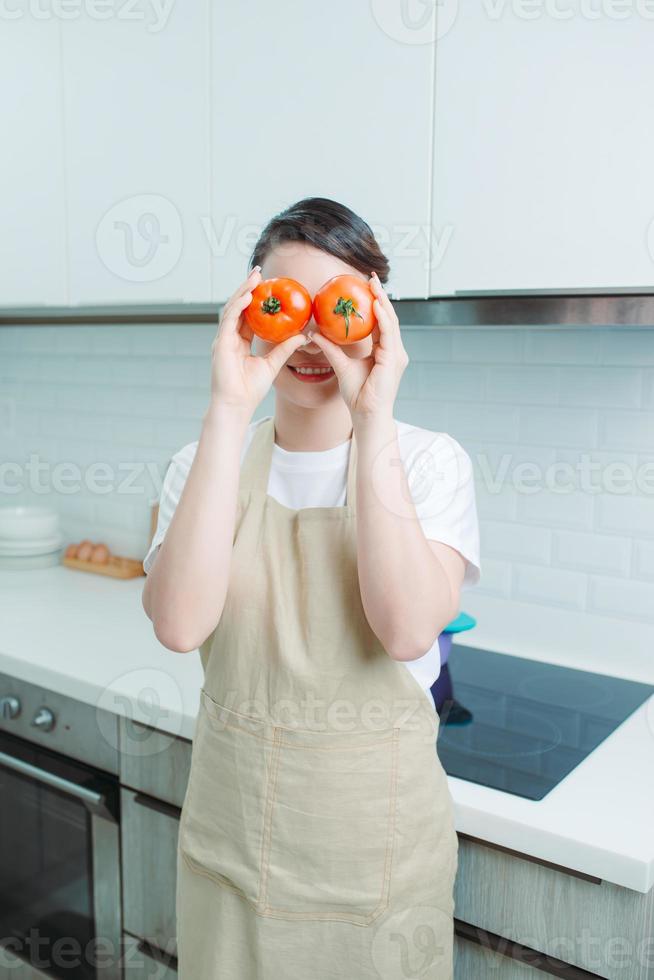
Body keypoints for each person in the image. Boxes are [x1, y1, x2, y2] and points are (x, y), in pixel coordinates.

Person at [142, 197, 481, 979]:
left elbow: (404, 630)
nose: (311, 339)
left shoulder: (430, 463)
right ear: (251, 311)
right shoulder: (204, 463)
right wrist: (230, 407)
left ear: (374, 315)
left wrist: (376, 417)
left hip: (377, 871)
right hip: (231, 860)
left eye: (338, 309)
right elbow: (179, 625)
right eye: (287, 309)